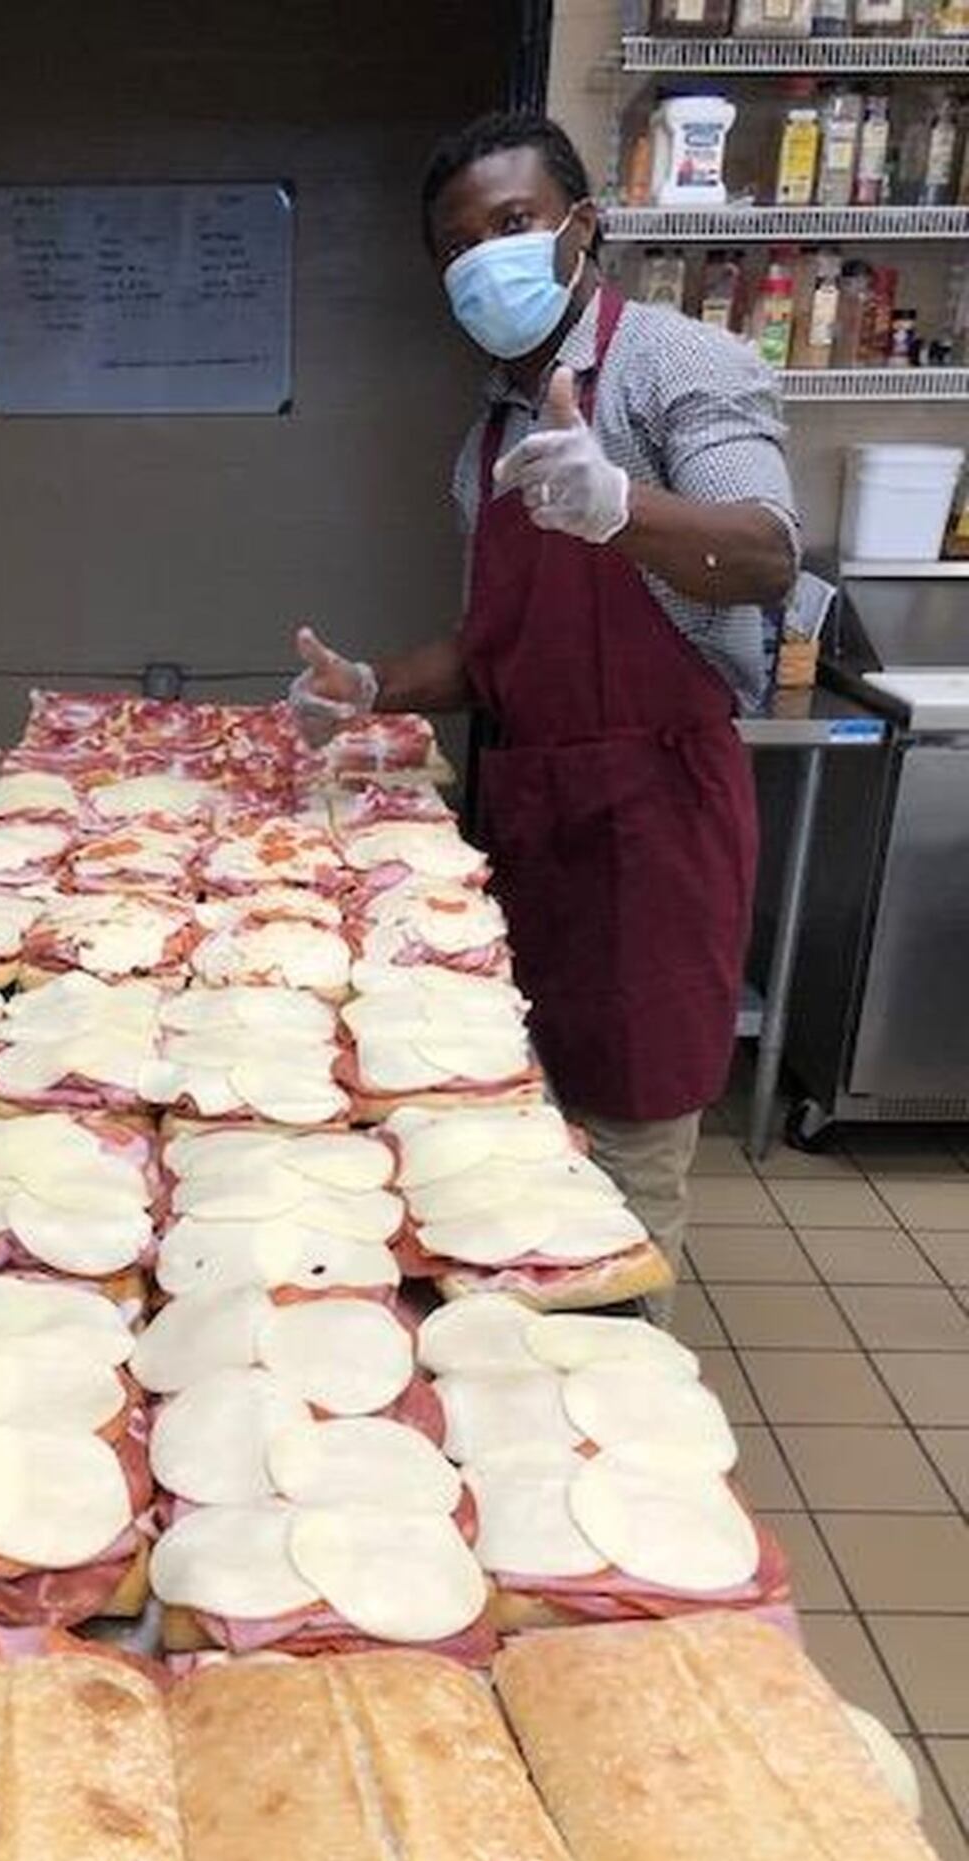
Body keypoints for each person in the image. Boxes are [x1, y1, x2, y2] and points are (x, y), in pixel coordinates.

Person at [292, 110, 798, 1313]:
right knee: (514, 1128)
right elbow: (496, 651)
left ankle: (619, 1417)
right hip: (533, 820)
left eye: (512, 225)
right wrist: (372, 690)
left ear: (586, 225)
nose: (487, 260)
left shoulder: (682, 364)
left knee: (623, 1159)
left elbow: (767, 550)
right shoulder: (487, 443)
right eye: (459, 247)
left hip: (652, 818)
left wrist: (623, 504)